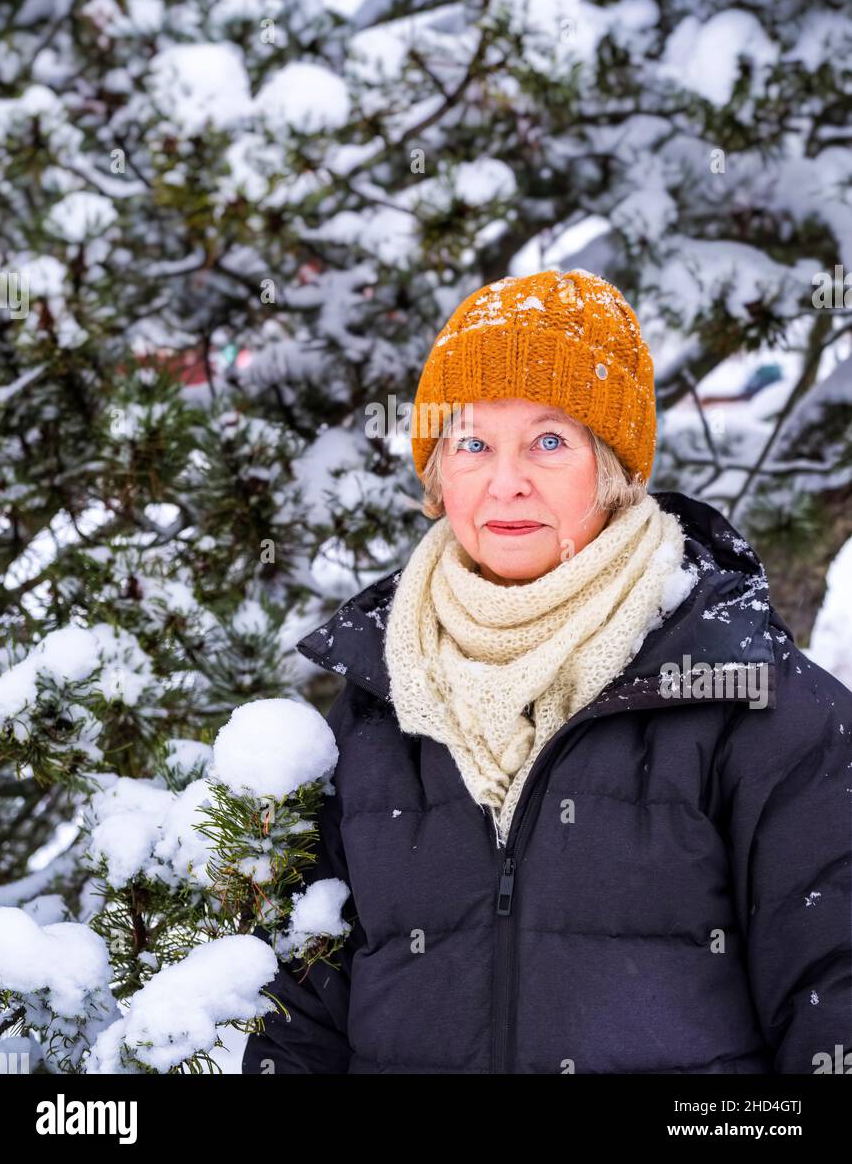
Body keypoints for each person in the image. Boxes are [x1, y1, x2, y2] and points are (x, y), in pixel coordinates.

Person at [242, 268, 852, 1075]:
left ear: (615, 467)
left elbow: (835, 1004)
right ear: (436, 476)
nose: (506, 481)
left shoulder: (759, 700)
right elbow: (300, 1020)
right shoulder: (379, 702)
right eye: (472, 443)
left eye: (550, 440)